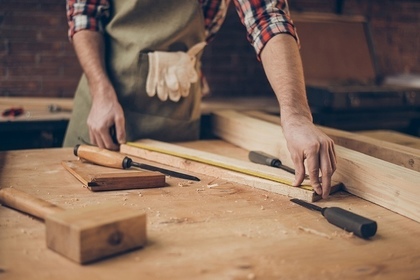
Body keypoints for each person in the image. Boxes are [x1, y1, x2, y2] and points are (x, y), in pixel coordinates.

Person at [63, 0, 336, 199]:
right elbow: (84, 15)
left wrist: (297, 116)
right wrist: (100, 90)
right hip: (104, 110)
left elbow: (267, 17)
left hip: (176, 112)